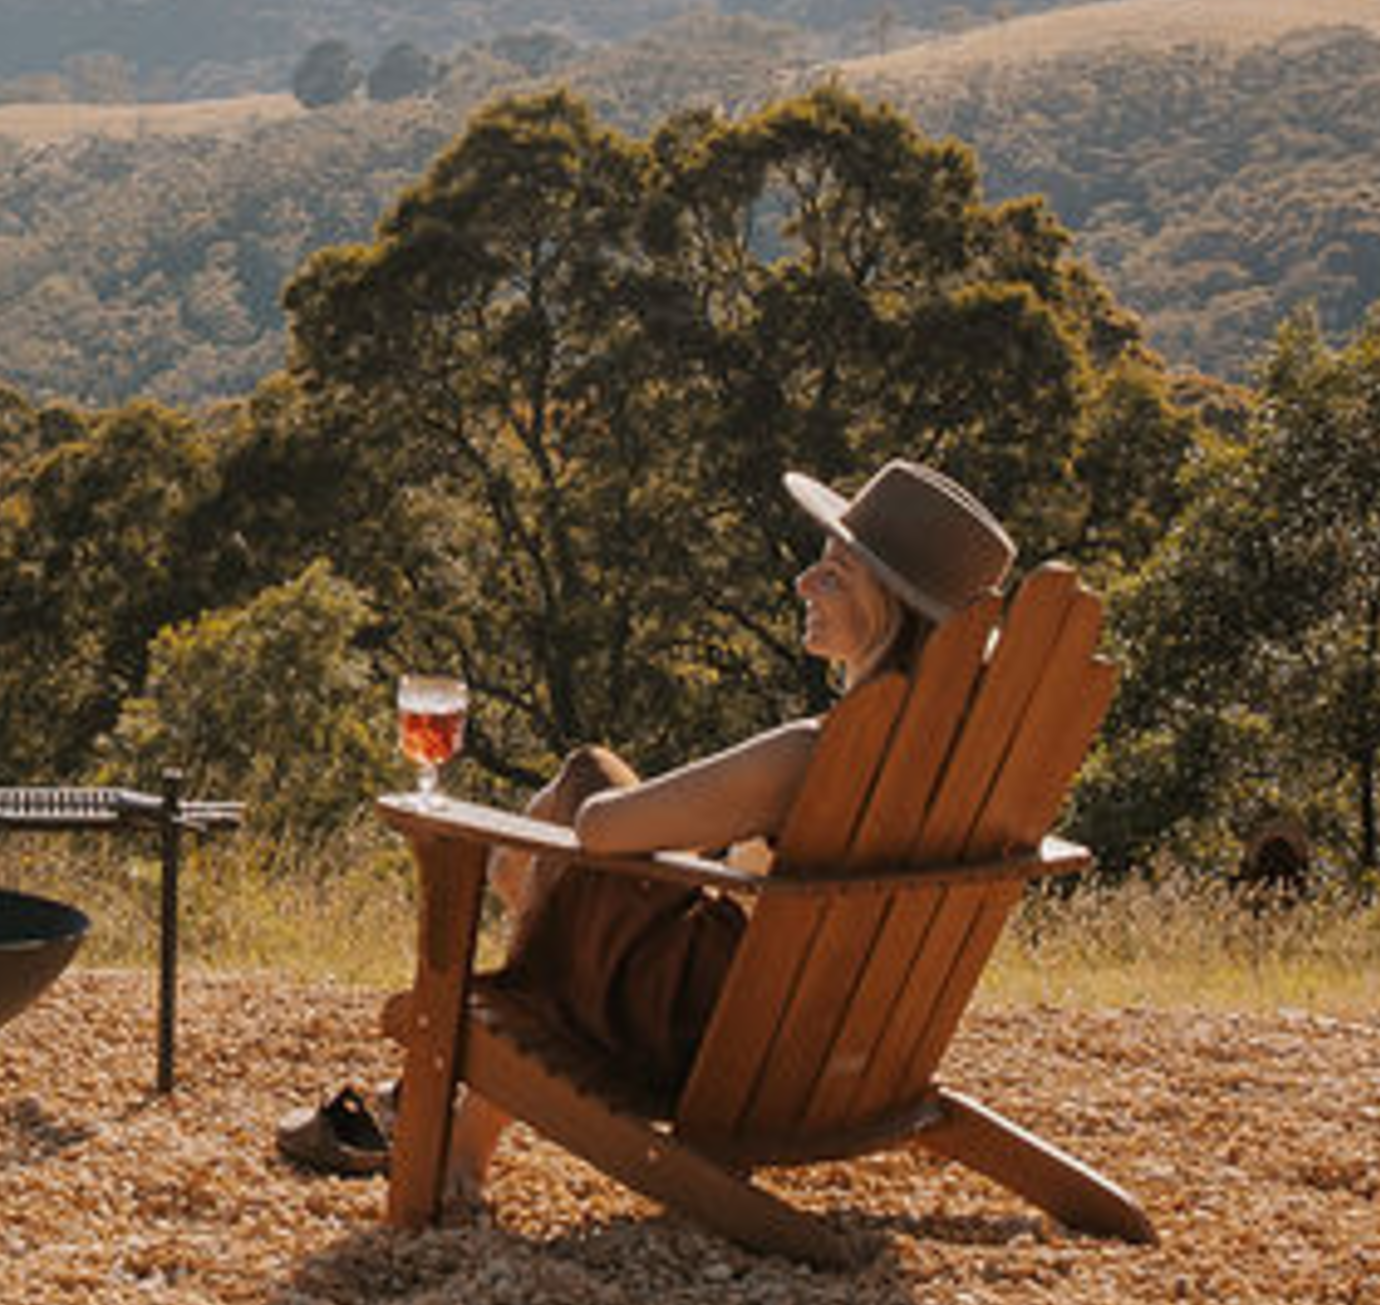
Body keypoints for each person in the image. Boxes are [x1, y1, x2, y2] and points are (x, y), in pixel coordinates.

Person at [280, 456, 1015, 1187]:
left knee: (585, 780)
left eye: (835, 573)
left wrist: (556, 862)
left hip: (710, 1037)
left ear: (891, 609)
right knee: (568, 882)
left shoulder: (810, 756)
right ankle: (451, 1125)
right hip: (841, 1049)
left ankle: (443, 1125)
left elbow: (603, 827)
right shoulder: (964, 766)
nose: (803, 583)